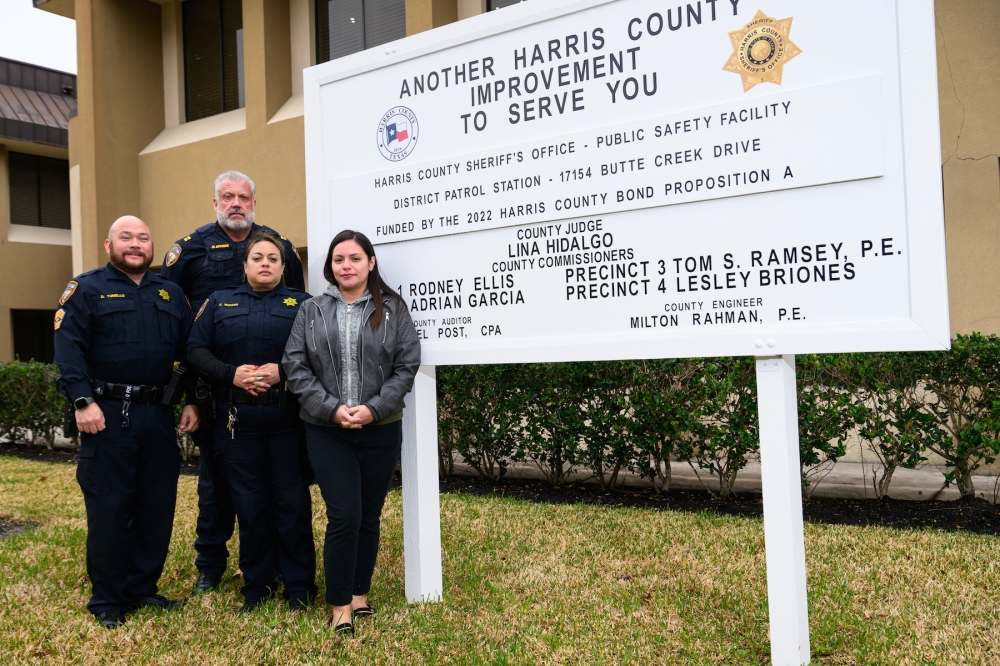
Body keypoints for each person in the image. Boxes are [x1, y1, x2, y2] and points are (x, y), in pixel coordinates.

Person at [160, 170, 305, 595]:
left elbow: (298, 316)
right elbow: (180, 329)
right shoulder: (189, 249)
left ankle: (275, 567)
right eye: (228, 196)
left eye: (244, 197)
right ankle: (211, 564)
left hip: (275, 398)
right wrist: (189, 394)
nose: (236, 203)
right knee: (216, 487)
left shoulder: (280, 247)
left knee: (277, 489)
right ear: (216, 203)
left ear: (254, 204)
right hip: (213, 388)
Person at [54, 216, 200, 628]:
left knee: (156, 505)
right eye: (126, 238)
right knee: (111, 506)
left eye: (143, 238)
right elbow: (68, 350)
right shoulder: (85, 289)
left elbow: (189, 352)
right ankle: (108, 600)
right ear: (108, 245)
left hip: (157, 415)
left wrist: (192, 401)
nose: (135, 244)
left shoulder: (172, 294)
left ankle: (142, 588)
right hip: (106, 414)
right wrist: (83, 402)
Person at [283, 230, 420, 635]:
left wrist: (375, 409)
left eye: (355, 258)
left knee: (369, 515)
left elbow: (406, 365)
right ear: (330, 266)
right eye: (339, 259)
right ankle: (340, 604)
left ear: (371, 263)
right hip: (326, 429)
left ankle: (360, 594)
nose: (347, 265)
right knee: (345, 514)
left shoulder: (393, 309)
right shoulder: (312, 309)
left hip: (381, 428)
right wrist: (331, 409)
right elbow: (295, 365)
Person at [187, 231, 317, 612]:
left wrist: (286, 372)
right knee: (251, 506)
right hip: (236, 422)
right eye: (257, 257)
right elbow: (195, 350)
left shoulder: (305, 304)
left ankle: (298, 588)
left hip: (287, 420)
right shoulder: (218, 302)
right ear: (244, 265)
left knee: (292, 505)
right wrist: (230, 374)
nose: (265, 263)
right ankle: (256, 587)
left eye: (273, 258)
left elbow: (321, 354)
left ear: (283, 266)